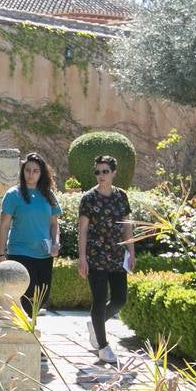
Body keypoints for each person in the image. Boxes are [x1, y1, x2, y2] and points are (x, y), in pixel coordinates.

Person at [77, 155, 135, 366]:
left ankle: (96, 323)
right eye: (98, 171)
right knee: (99, 300)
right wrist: (82, 258)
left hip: (117, 256)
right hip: (96, 257)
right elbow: (83, 230)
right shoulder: (89, 198)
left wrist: (132, 252)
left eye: (105, 171)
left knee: (120, 299)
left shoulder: (121, 197)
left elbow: (127, 226)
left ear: (113, 173)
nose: (101, 175)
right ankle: (103, 347)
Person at [0, 152, 62, 319]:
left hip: (44, 254)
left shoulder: (48, 195)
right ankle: (26, 328)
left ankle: (28, 325)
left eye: (35, 171)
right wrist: (1, 254)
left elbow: (54, 224)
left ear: (41, 173)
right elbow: (4, 226)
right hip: (20, 253)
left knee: (42, 297)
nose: (31, 174)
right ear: (22, 171)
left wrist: (56, 243)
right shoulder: (13, 194)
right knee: (28, 295)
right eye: (27, 170)